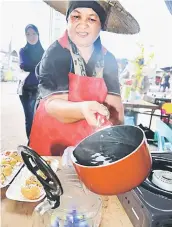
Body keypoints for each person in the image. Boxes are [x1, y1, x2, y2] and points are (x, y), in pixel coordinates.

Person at [29, 0, 140, 156]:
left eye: (91, 19)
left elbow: (115, 106)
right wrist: (83, 109)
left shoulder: (108, 59)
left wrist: (116, 137)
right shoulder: (56, 52)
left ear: (101, 25)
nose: (83, 24)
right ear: (67, 20)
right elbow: (52, 105)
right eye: (76, 17)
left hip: (86, 143)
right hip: (50, 142)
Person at [18, 24, 44, 139]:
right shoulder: (23, 51)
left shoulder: (45, 52)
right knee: (29, 118)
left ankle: (38, 143)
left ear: (38, 35)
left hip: (41, 90)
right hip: (26, 90)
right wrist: (40, 66)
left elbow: (48, 68)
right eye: (28, 34)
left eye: (33, 33)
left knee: (40, 119)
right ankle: (31, 144)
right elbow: (24, 65)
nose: (31, 36)